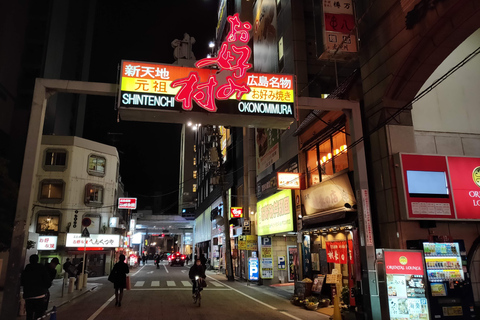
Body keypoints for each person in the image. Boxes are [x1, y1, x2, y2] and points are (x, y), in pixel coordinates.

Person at [21, 254, 51, 320]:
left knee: (29, 315)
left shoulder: (27, 268)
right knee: (39, 315)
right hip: (39, 295)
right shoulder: (41, 268)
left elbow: (22, 282)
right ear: (37, 260)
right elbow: (48, 282)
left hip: (28, 296)